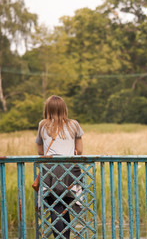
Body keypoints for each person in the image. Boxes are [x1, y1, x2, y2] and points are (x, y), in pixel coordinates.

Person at [35, 95, 84, 239]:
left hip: (50, 170)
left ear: (47, 109)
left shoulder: (43, 125)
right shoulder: (74, 124)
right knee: (65, 207)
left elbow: (40, 151)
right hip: (69, 170)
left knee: (54, 207)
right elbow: (79, 151)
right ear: (64, 109)